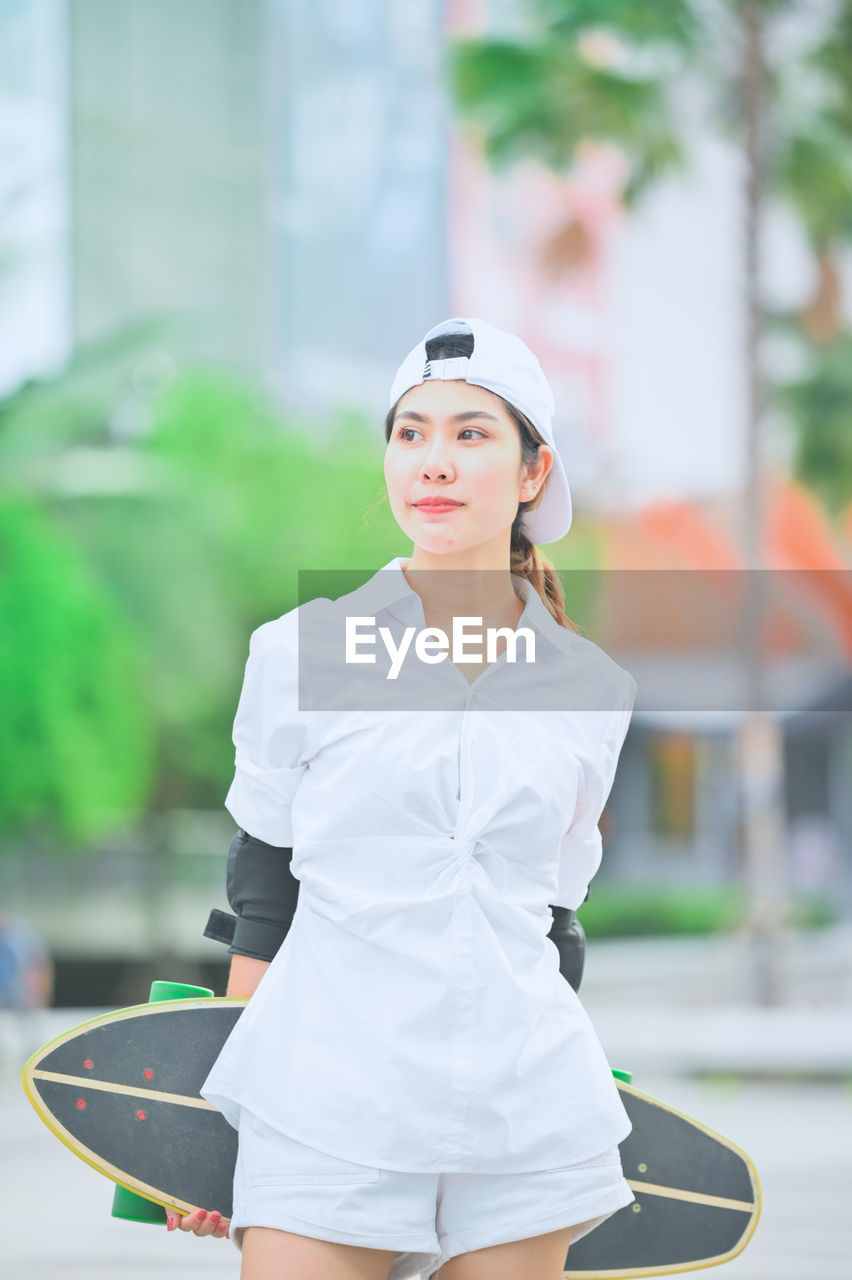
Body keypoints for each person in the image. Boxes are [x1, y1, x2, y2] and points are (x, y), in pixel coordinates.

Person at [171, 317, 638, 1280]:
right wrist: (205, 1131)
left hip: (523, 1116)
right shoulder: (303, 649)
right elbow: (264, 891)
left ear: (532, 471)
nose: (434, 460)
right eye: (410, 432)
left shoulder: (590, 688)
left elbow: (551, 920)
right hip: (324, 1099)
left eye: (471, 434)